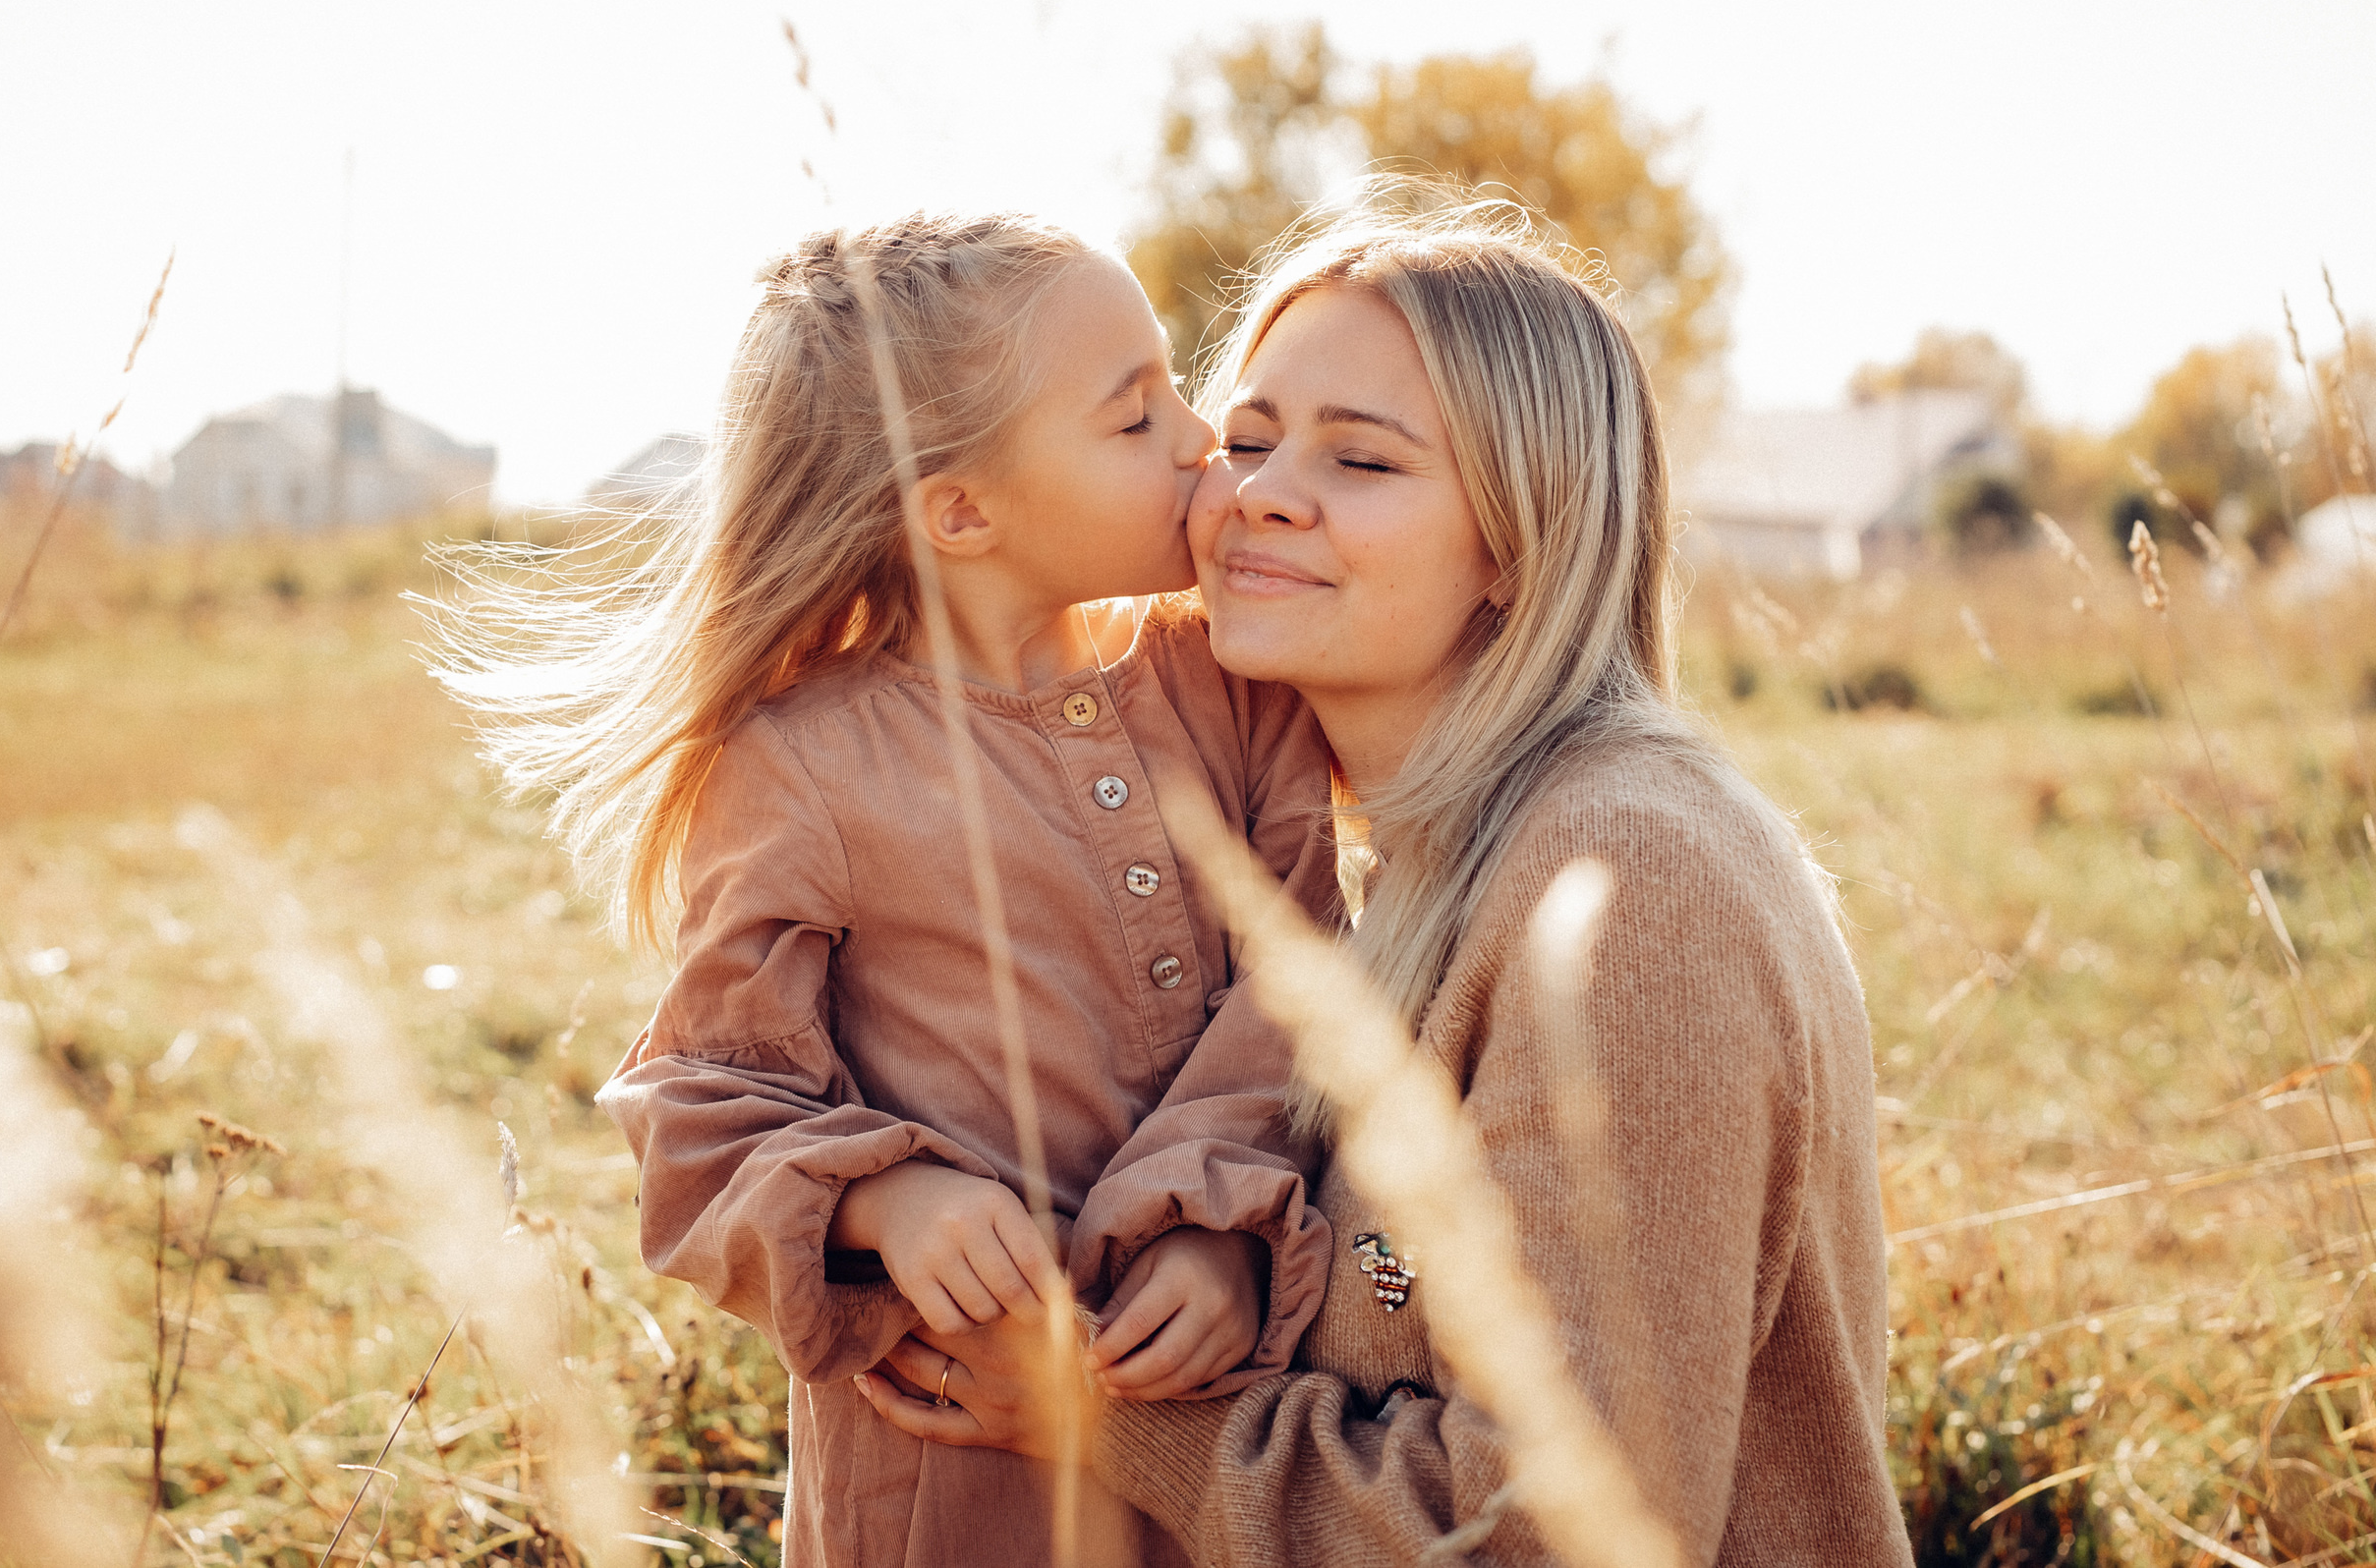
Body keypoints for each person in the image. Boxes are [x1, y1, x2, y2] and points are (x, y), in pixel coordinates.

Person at [858, 194, 1912, 1565]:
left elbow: (1556, 1532)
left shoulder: (1629, 886)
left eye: (1361, 460)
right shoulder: (1406, 873)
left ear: (1517, 543)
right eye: (1245, 437)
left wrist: (1108, 1420)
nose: (1258, 492)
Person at [434, 212, 1340, 1567]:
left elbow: (1313, 987)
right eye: (1133, 414)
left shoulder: (1231, 687)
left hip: (1206, 1409)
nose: (1204, 435)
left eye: (1174, 386)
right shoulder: (805, 764)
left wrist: (1220, 1235)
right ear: (963, 511)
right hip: (948, 1470)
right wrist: (881, 1202)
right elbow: (700, 1103)